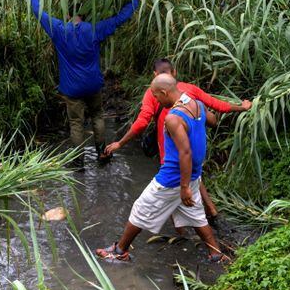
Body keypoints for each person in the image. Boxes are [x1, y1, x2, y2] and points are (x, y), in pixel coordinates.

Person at [95, 73, 228, 263]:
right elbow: (212, 120)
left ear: (165, 92)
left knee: (140, 209)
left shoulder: (173, 118)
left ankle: (119, 251)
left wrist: (183, 188)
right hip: (193, 176)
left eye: (156, 96)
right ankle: (216, 254)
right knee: (196, 215)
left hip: (172, 179)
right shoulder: (195, 104)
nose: (156, 100)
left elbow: (185, 153)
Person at [104, 58, 251, 223]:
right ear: (174, 73)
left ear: (154, 75)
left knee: (175, 182)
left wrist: (120, 143)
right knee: (192, 176)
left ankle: (181, 228)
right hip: (194, 145)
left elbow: (142, 122)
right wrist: (242, 107)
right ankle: (209, 213)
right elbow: (216, 104)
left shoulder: (153, 93)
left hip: (169, 150)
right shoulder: (189, 89)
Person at [31, 0, 145, 165]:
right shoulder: (94, 30)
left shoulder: (59, 30)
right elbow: (119, 19)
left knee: (76, 123)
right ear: (83, 15)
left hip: (72, 88)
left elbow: (38, 12)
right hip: (93, 84)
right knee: (98, 116)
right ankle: (102, 153)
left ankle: (78, 162)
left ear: (68, 14)